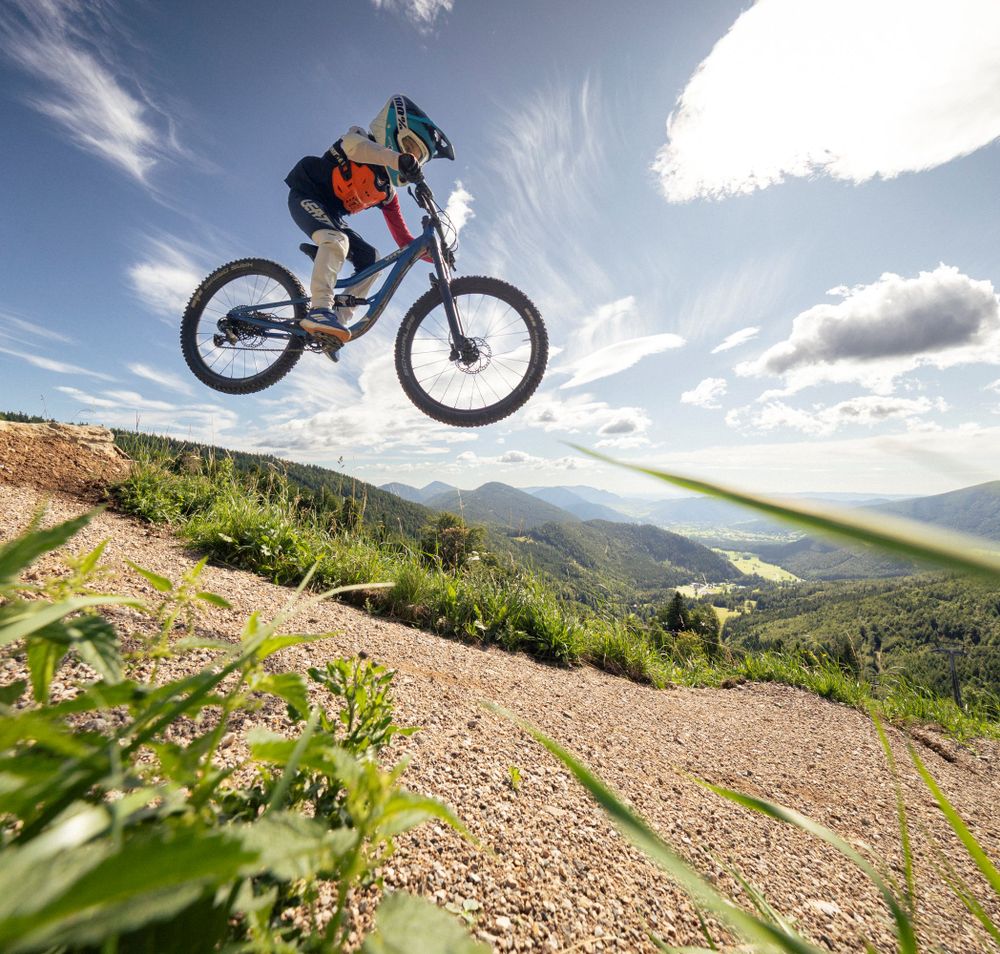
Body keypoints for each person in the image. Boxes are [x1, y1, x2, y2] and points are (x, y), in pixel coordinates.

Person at [285, 95, 455, 343]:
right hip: (305, 195)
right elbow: (360, 150)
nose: (412, 157)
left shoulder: (386, 193)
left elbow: (404, 241)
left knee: (372, 260)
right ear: (394, 131)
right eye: (410, 148)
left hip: (332, 217)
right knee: (336, 240)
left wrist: (436, 256)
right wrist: (398, 159)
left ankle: (335, 325)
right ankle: (320, 309)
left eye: (418, 157)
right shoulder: (357, 139)